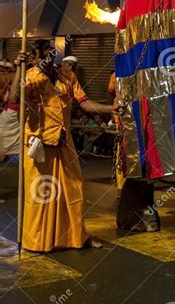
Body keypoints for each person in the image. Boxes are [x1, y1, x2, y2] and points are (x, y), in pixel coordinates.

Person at [21, 40, 117, 253]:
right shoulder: (29, 77)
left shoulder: (67, 76)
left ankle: (76, 237)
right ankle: (37, 241)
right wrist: (20, 74)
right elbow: (14, 99)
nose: (48, 58)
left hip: (64, 141)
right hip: (39, 143)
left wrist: (111, 108)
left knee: (72, 190)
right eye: (43, 54)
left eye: (51, 53)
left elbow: (84, 102)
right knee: (41, 193)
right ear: (36, 57)